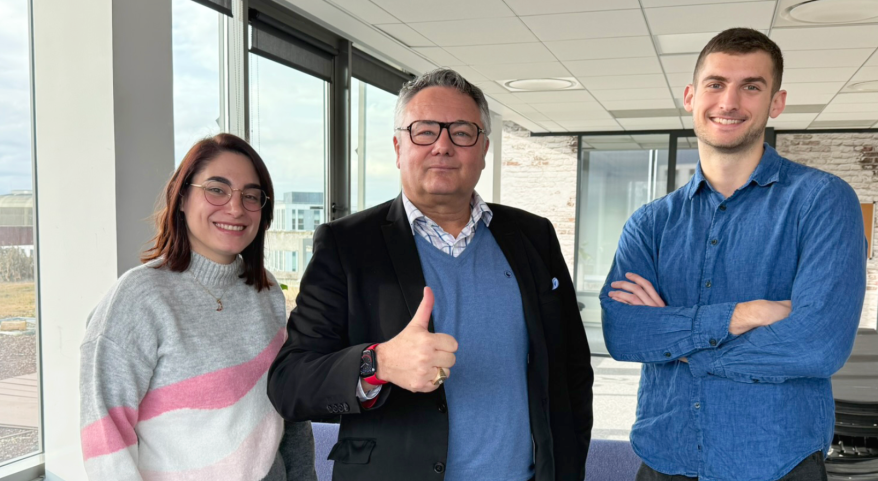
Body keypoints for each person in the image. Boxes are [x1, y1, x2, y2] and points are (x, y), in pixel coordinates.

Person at [267, 68, 593, 481]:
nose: (443, 145)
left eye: (462, 131)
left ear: (484, 148)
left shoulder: (533, 235)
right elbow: (290, 385)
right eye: (424, 131)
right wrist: (378, 363)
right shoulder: (346, 245)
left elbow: (572, 370)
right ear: (398, 146)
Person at [600, 28, 867, 481]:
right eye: (716, 83)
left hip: (777, 462)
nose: (730, 101)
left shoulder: (822, 201)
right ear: (690, 96)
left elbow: (818, 345)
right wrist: (743, 315)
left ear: (775, 103)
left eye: (751, 86)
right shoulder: (650, 223)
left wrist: (683, 349)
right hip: (667, 456)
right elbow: (624, 335)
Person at [79, 134, 316, 480]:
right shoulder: (138, 297)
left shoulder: (265, 291)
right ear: (182, 198)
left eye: (251, 196)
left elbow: (289, 411)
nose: (236, 208)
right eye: (216, 190)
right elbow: (105, 435)